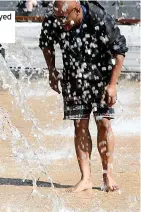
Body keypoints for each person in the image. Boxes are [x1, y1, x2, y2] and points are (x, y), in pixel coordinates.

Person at [39, 0, 128, 192]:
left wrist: (112, 84)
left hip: (102, 76)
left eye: (65, 19)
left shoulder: (100, 18)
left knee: (104, 123)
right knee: (79, 123)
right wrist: (52, 70)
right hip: (73, 76)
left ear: (77, 11)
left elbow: (119, 50)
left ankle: (107, 175)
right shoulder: (55, 17)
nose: (61, 24)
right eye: (58, 18)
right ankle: (86, 178)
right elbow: (46, 44)